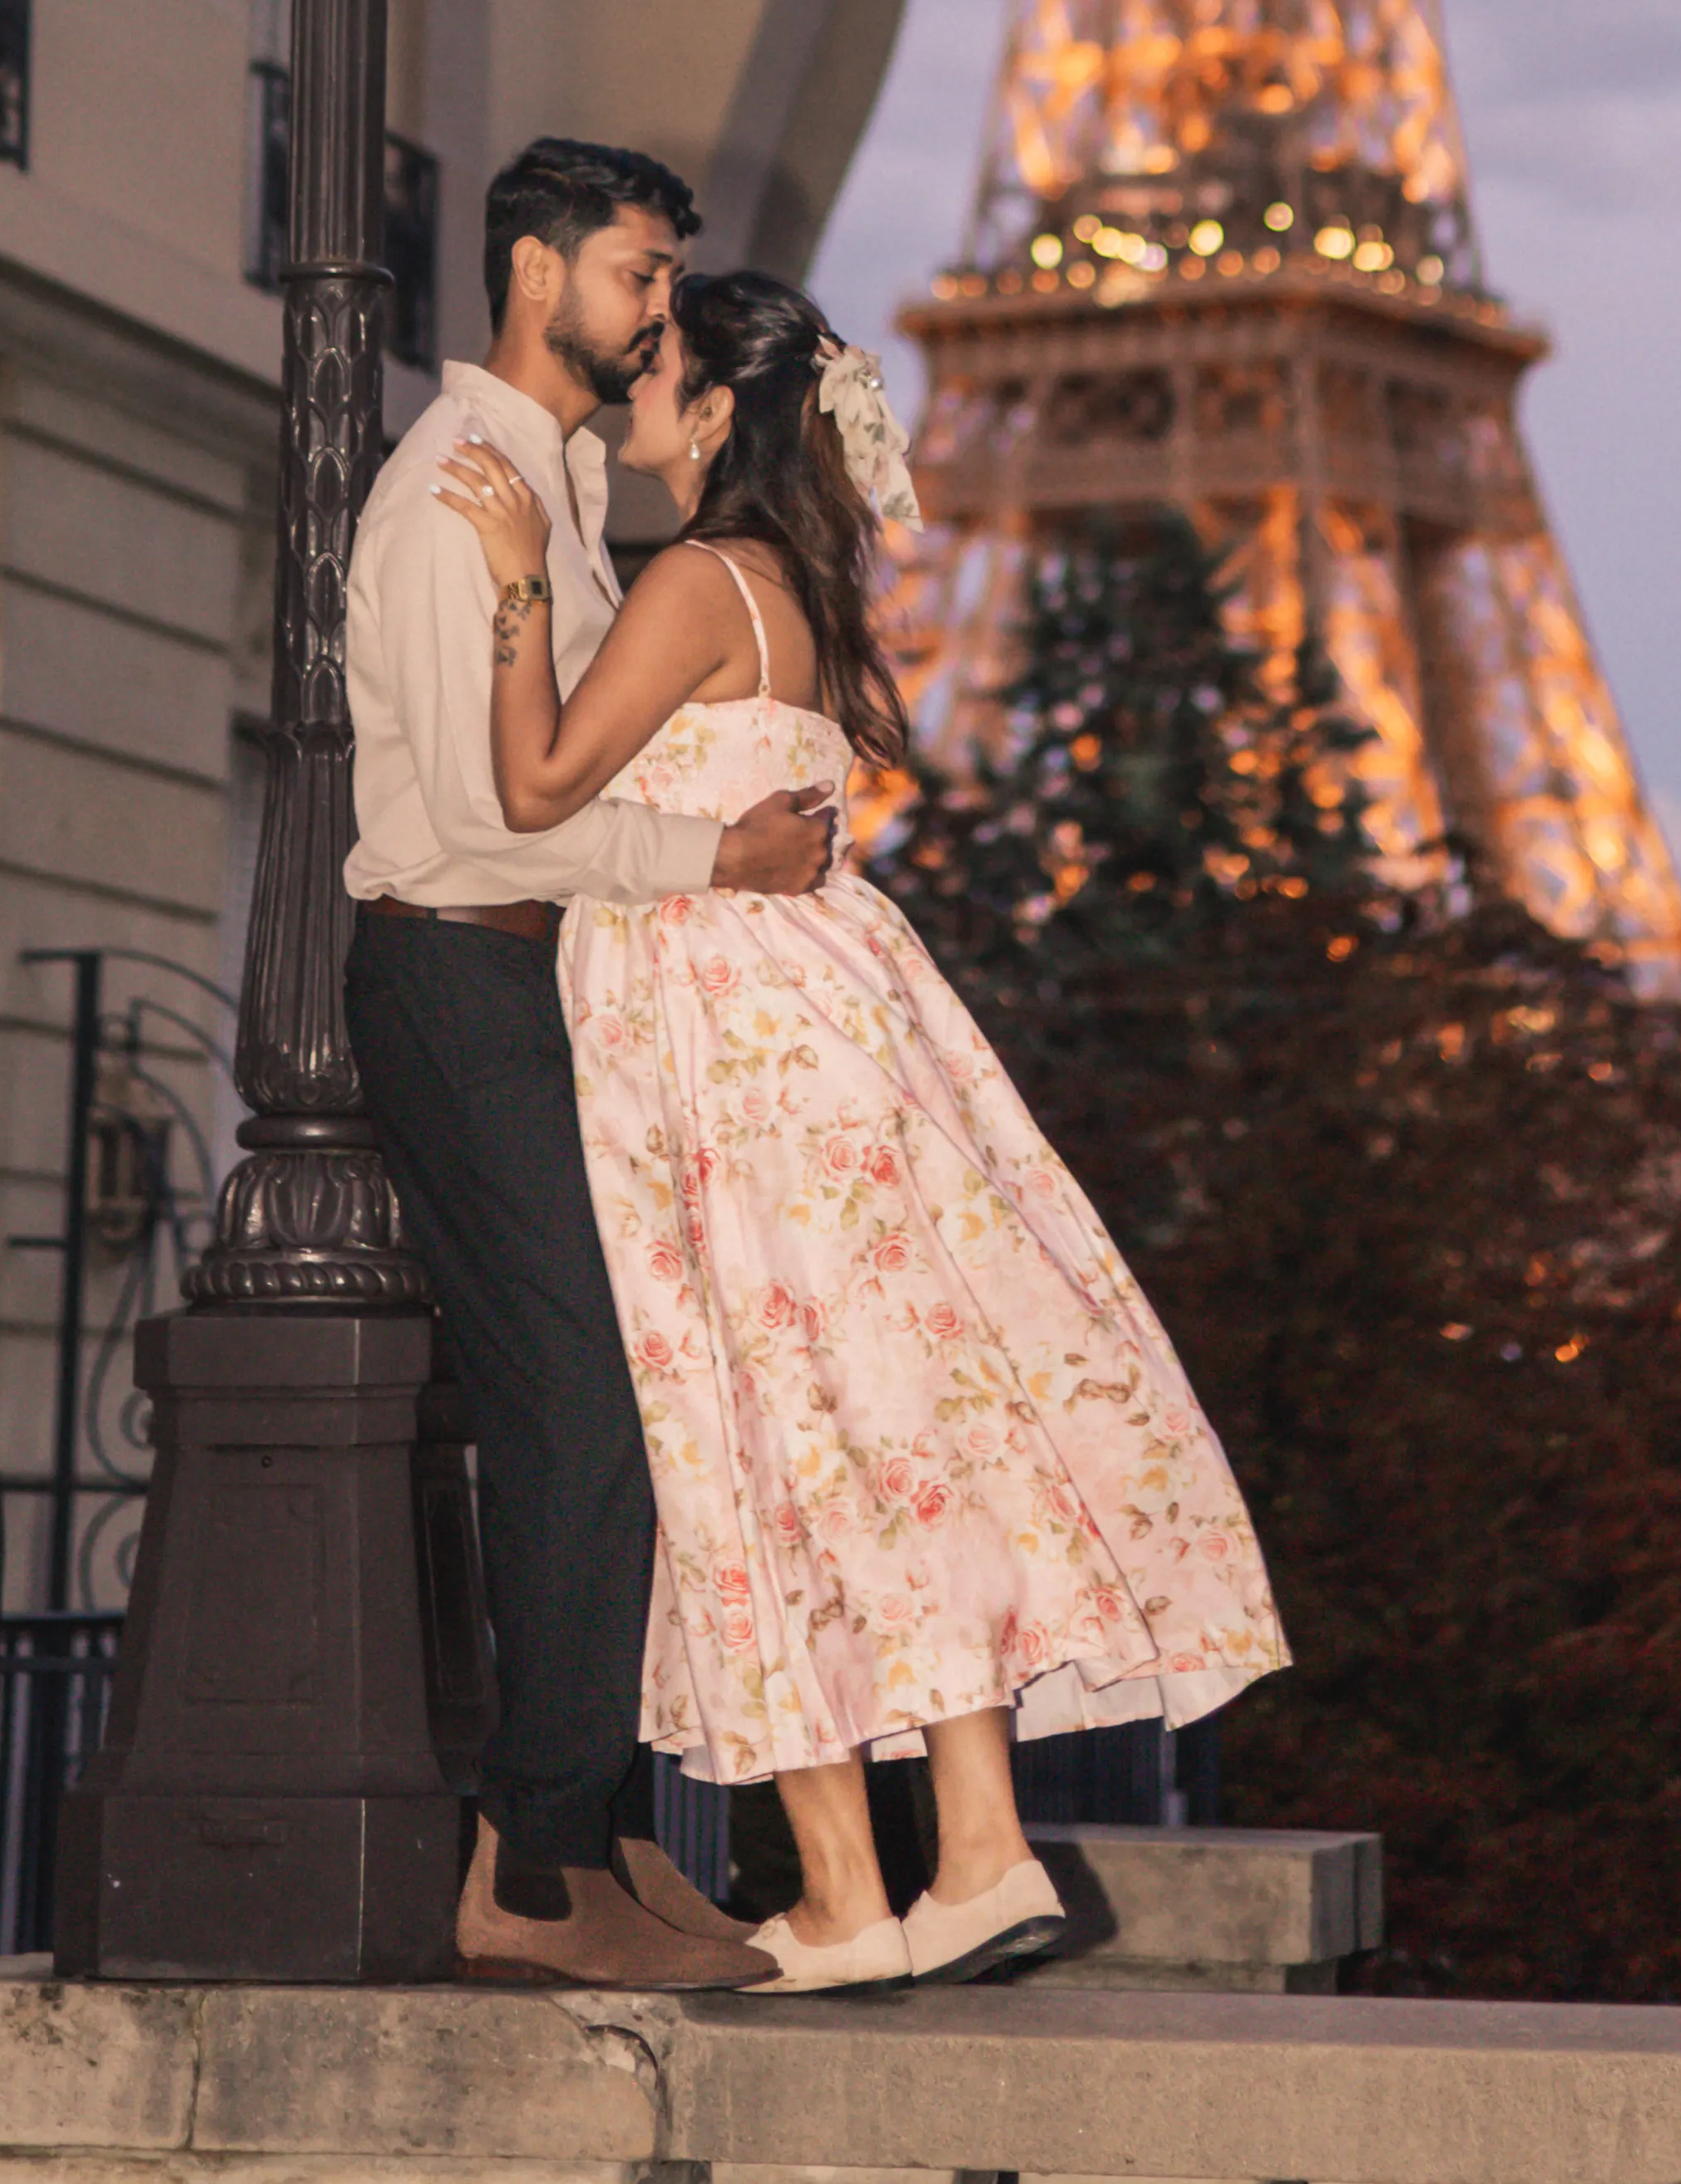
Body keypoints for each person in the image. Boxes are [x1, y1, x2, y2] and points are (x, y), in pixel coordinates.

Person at [439, 264, 1288, 1992]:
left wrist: (519, 586)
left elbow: (533, 792)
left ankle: (850, 1883)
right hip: (825, 1022)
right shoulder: (798, 585)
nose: (625, 393)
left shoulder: (693, 582)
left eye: (653, 369)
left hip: (724, 1046)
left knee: (759, 1434)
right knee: (881, 1426)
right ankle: (967, 1853)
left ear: (721, 410)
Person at [342, 136, 838, 1999]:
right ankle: (531, 1872)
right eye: (639, 278)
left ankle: (594, 1831)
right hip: (458, 978)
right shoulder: (437, 498)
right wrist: (713, 859)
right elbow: (481, 824)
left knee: (614, 1403)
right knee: (583, 1410)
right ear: (539, 276)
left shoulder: (544, 484)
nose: (658, 326)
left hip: (535, 988)